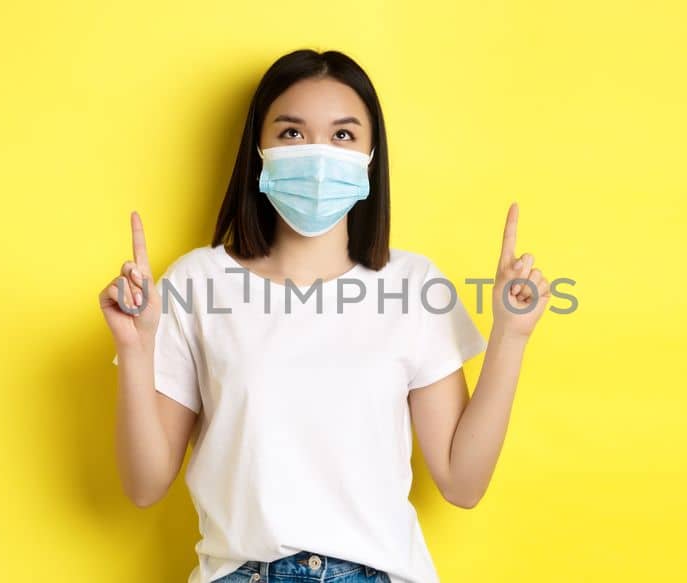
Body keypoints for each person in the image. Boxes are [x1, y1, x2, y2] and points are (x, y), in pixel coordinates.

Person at [100, 49, 550, 583]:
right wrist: (135, 349)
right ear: (259, 149)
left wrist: (511, 335)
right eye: (292, 133)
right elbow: (145, 485)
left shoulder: (414, 284)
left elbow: (462, 483)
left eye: (342, 135)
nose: (317, 154)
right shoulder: (197, 281)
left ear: (370, 155)